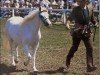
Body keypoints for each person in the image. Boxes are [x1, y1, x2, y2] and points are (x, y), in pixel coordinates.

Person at [66, 0, 97, 72]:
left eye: (82, 1)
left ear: (86, 2)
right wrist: (67, 24)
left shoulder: (90, 8)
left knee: (90, 47)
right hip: (77, 31)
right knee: (75, 47)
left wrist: (95, 23)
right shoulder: (75, 9)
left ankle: (89, 66)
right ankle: (68, 58)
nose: (80, 2)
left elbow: (92, 19)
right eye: (80, 1)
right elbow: (70, 18)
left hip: (87, 31)